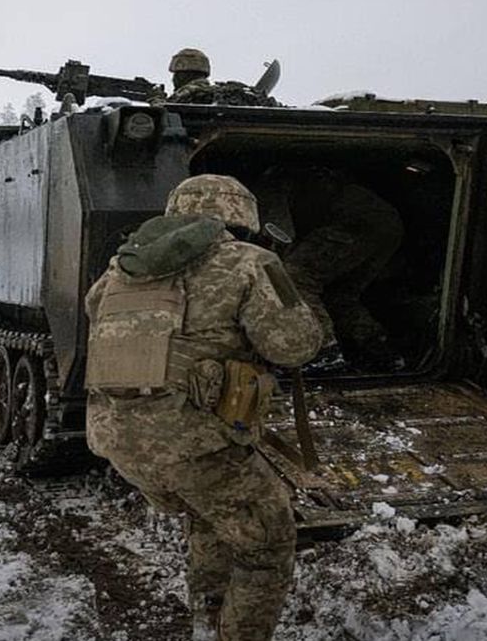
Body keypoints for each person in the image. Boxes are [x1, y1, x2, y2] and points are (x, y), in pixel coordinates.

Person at [84, 174, 321, 641]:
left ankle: (206, 622)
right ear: (241, 215)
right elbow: (295, 346)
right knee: (267, 546)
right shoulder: (252, 262)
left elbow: (99, 317)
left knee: (212, 518)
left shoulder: (121, 267)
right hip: (196, 446)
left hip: (119, 440)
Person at [256, 166, 405, 373]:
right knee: (339, 295)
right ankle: (380, 350)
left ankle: (325, 352)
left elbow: (279, 235)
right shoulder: (305, 183)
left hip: (354, 223)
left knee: (292, 278)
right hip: (386, 223)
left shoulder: (270, 187)